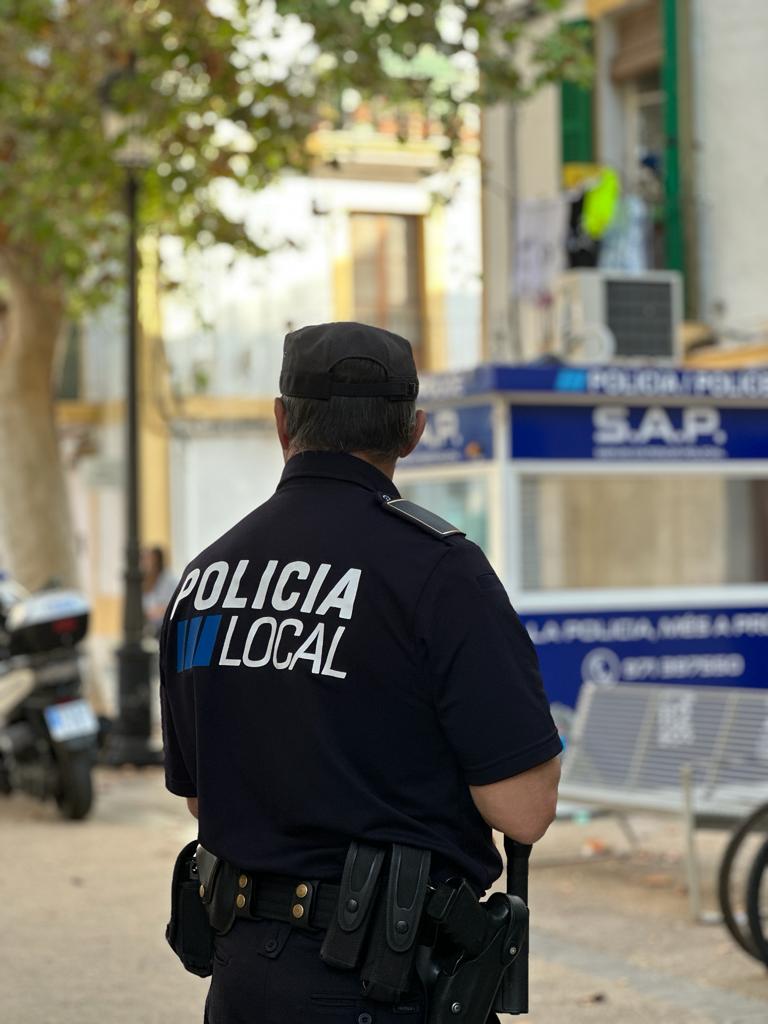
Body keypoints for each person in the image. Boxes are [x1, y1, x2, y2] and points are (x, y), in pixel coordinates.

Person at [160, 321, 562, 1024]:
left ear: (281, 421)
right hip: (387, 987)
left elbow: (203, 795)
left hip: (242, 981)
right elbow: (523, 809)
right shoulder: (440, 570)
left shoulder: (206, 577)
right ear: (413, 431)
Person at [141, 545, 177, 638]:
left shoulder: (169, 579)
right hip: (148, 629)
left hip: (166, 629)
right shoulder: (143, 582)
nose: (145, 564)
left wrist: (157, 612)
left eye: (149, 560)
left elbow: (174, 605)